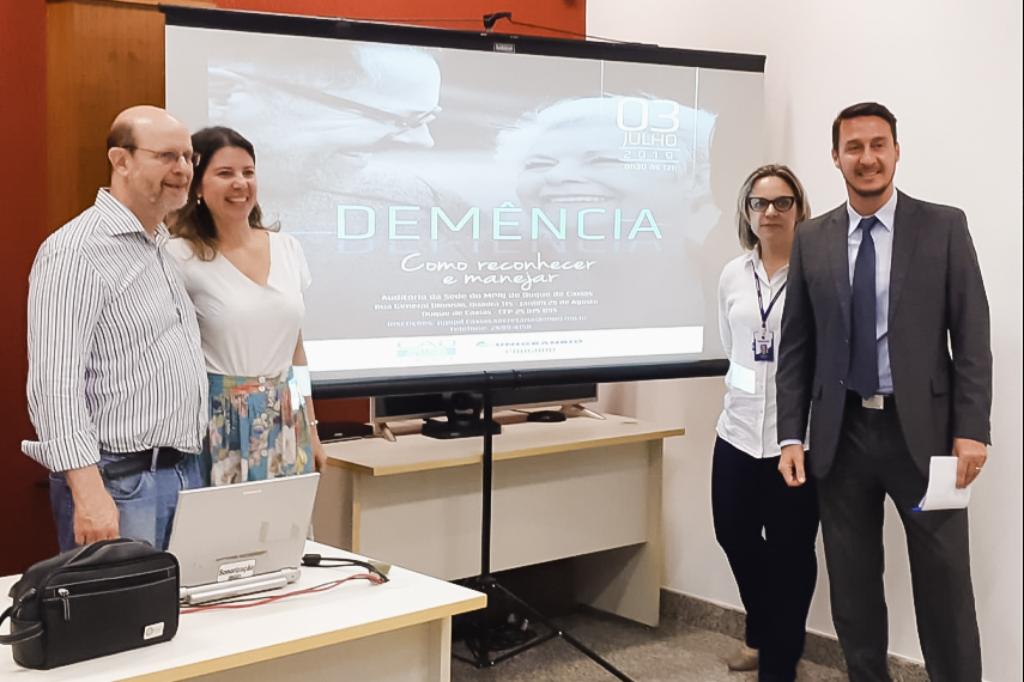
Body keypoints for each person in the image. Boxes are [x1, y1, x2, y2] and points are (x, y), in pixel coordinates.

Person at [776, 102, 991, 681]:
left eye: (878, 145)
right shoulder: (812, 238)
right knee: (853, 590)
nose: (866, 158)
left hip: (926, 437)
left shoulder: (943, 227)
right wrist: (791, 434)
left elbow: (972, 335)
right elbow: (796, 345)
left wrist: (972, 429)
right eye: (854, 147)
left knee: (945, 586)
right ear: (835, 157)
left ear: (897, 151)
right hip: (841, 435)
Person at [24, 105, 208, 551]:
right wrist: (88, 493)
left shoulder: (160, 247)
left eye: (189, 157)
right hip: (118, 483)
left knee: (187, 600)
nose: (183, 169)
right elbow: (54, 386)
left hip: (183, 473)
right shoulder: (76, 252)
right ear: (120, 161)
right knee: (121, 601)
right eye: (167, 156)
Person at [167, 126, 326, 485]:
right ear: (197, 186)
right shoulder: (178, 256)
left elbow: (297, 351)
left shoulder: (287, 247)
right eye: (225, 173)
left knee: (287, 519)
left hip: (287, 418)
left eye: (248, 172)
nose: (240, 183)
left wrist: (312, 428)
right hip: (218, 421)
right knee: (223, 521)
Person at [713, 165, 817, 682]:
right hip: (736, 430)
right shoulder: (733, 274)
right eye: (760, 203)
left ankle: (778, 662)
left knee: (791, 553)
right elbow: (730, 345)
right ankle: (764, 629)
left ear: (799, 209)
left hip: (794, 439)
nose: (770, 212)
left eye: (782, 202)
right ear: (747, 211)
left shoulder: (816, 274)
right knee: (732, 533)